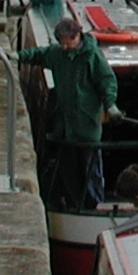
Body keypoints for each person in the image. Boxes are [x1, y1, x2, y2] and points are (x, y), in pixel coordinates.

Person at [18, 15, 120, 211]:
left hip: (86, 127)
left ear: (77, 37)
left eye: (67, 43)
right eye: (61, 44)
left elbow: (106, 81)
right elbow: (39, 54)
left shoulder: (92, 56)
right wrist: (18, 56)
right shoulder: (58, 54)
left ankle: (94, 205)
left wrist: (110, 105)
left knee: (90, 169)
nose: (64, 48)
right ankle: (74, 204)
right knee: (68, 169)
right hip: (65, 127)